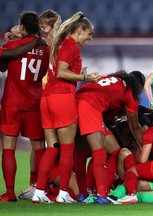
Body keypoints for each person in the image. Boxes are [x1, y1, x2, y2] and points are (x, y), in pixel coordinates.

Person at [32, 12, 100, 204]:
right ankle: (63, 194)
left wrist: (78, 74)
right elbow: (62, 72)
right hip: (62, 98)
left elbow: (60, 70)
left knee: (52, 148)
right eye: (89, 33)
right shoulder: (70, 45)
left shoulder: (59, 43)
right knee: (68, 148)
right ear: (79, 30)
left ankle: (39, 192)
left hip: (46, 99)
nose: (90, 38)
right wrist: (85, 78)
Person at [0, 11, 50, 202]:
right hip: (35, 102)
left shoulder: (11, 46)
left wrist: (11, 40)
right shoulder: (46, 50)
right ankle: (39, 189)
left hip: (12, 102)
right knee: (39, 148)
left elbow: (3, 67)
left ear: (22, 27)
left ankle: (10, 192)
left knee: (8, 148)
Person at [75, 70, 145, 204]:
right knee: (107, 152)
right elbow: (135, 127)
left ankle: (83, 193)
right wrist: (146, 147)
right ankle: (101, 194)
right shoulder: (129, 93)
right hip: (90, 106)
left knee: (81, 152)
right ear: (138, 87)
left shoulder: (110, 80)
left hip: (76, 100)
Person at [17, 9, 62, 200]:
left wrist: (53, 28)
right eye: (39, 26)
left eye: (44, 27)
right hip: (41, 97)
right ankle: (35, 184)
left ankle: (44, 184)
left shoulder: (54, 45)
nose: (41, 30)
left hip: (50, 97)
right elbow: (15, 29)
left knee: (49, 145)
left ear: (53, 28)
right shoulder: (41, 42)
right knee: (39, 144)